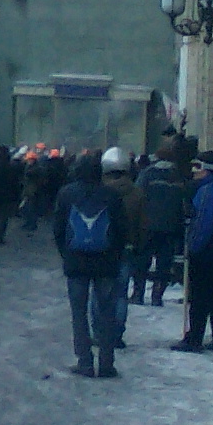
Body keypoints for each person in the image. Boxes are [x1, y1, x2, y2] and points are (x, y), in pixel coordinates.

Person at [53, 153, 128, 377]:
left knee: (79, 313)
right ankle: (106, 363)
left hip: (76, 262)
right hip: (106, 263)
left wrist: (66, 254)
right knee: (106, 312)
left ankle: (84, 361)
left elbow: (58, 228)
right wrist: (115, 255)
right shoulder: (112, 195)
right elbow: (121, 230)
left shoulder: (66, 193)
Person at [174, 152, 213, 354]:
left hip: (207, 251)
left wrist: (193, 246)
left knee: (200, 295)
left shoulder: (209, 190)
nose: (194, 172)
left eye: (197, 167)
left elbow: (204, 223)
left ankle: (194, 337)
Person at [100, 146, 144, 349]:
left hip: (104, 248)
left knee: (99, 292)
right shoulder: (136, 193)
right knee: (120, 294)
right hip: (127, 247)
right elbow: (143, 224)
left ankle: (100, 331)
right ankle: (117, 334)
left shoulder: (101, 192)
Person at [135, 144, 188, 306]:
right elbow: (184, 201)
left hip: (148, 225)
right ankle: (157, 296)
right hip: (170, 227)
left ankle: (138, 294)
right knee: (164, 264)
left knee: (142, 261)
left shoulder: (147, 173)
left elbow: (138, 195)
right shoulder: (177, 176)